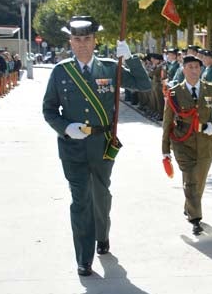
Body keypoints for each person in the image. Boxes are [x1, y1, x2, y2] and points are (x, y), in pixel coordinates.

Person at [41, 17, 151, 276]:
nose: (82, 44)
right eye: (77, 39)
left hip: (102, 144)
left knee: (101, 194)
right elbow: (49, 110)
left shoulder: (110, 68)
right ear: (70, 42)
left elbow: (144, 85)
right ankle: (84, 257)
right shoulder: (61, 72)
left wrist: (131, 58)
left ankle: (102, 234)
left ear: (95, 41)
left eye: (87, 39)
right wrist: (66, 127)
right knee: (81, 199)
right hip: (72, 146)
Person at [162, 53, 212, 236]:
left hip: (205, 143)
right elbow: (167, 122)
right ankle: (195, 219)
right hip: (183, 144)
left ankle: (190, 206)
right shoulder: (174, 93)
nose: (194, 71)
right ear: (183, 69)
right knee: (191, 180)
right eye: (190, 67)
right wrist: (165, 150)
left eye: (197, 67)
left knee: (198, 182)